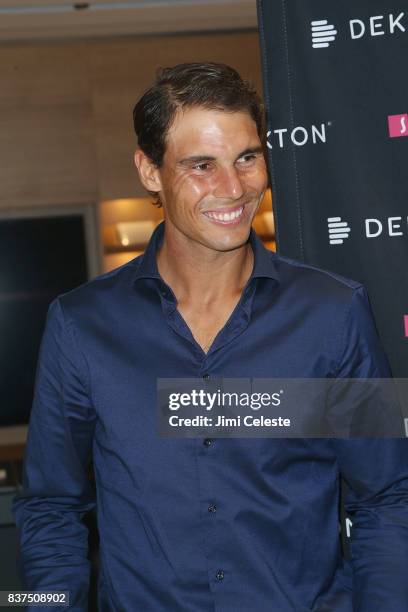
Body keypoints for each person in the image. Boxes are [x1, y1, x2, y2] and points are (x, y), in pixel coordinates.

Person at [13, 62, 408, 611]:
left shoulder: (333, 312)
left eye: (246, 157)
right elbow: (51, 507)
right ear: (149, 171)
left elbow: (387, 498)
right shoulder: (82, 325)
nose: (233, 188)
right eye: (202, 165)